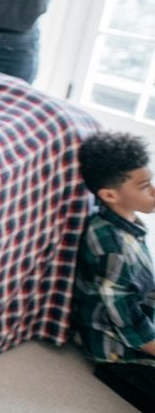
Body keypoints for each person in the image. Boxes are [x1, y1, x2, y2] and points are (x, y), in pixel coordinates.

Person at [72, 131, 155, 408]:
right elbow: (127, 321)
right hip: (118, 351)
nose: (153, 191)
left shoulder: (128, 224)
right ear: (110, 195)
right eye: (145, 186)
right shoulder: (112, 247)